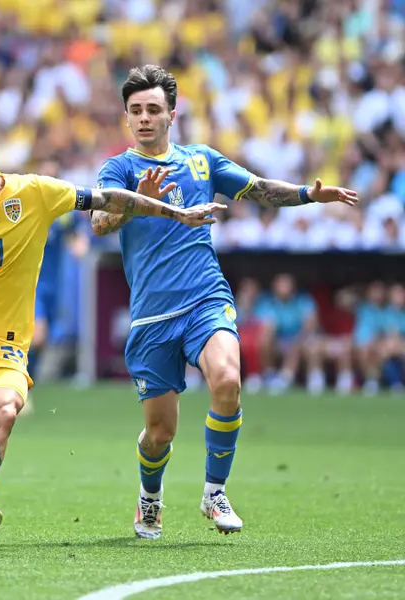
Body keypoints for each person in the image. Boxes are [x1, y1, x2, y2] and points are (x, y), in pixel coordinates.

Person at [0, 123, 225, 549]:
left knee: (4, 414)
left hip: (2, 342)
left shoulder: (35, 192)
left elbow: (105, 199)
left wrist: (175, 213)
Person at [90, 64, 359, 539]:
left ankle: (214, 492)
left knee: (228, 380)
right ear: (126, 118)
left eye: (154, 109)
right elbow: (98, 225)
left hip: (204, 298)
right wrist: (133, 198)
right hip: (152, 316)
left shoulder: (201, 160)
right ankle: (149, 498)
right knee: (159, 435)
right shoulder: (120, 169)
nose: (144, 118)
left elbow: (256, 189)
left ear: (172, 114)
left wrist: (306, 194)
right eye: (136, 111)